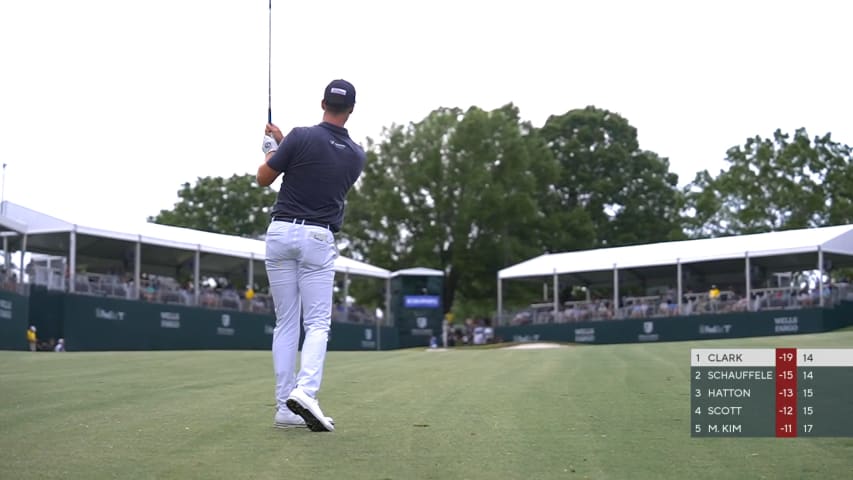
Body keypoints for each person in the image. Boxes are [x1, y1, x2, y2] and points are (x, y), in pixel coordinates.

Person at [257, 79, 366, 432]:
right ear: (351, 110)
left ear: (322, 102)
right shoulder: (356, 155)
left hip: (280, 233)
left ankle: (284, 407)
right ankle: (306, 392)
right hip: (318, 237)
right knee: (316, 323)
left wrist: (273, 149)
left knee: (287, 322)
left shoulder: (300, 138)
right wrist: (284, 143)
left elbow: (264, 177)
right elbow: (322, 160)